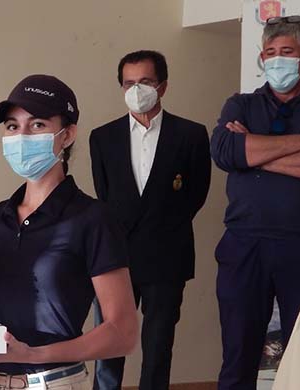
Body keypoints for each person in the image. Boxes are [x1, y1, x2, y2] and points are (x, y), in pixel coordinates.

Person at [0, 74, 138, 390]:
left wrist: (33, 354)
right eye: (12, 126)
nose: (21, 135)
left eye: (37, 125)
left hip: (52, 382)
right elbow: (17, 316)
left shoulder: (93, 219)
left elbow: (123, 333)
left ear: (67, 135)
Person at [210, 16, 300, 390]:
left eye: (286, 52)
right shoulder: (240, 105)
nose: (277, 60)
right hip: (244, 246)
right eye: (270, 53)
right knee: (237, 357)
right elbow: (226, 152)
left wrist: (255, 152)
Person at [89, 50, 212, 390]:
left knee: (158, 347)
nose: (137, 89)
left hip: (167, 256)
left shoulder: (191, 134)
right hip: (115, 260)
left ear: (163, 86)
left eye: (145, 81)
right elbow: (106, 197)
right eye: (129, 83)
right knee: (108, 347)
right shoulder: (102, 137)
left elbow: (195, 196)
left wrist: (160, 227)